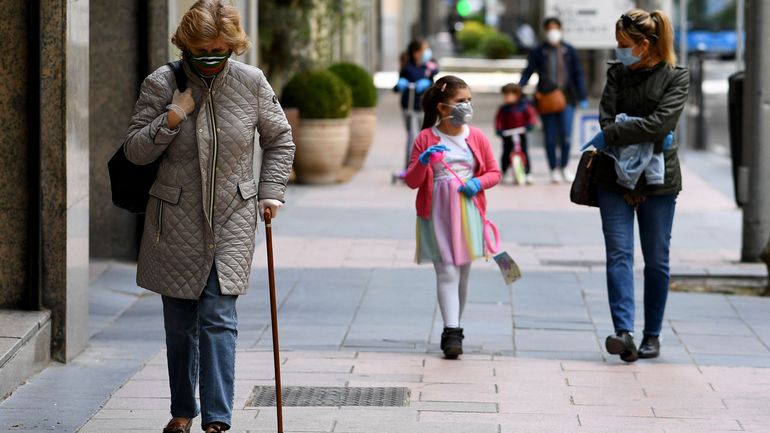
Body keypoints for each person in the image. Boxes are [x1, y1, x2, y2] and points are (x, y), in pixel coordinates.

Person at [122, 1, 295, 432]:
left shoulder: (251, 82)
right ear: (186, 46)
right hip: (174, 218)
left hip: (232, 217)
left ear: (234, 45)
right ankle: (182, 410)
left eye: (222, 50)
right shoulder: (162, 82)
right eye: (203, 51)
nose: (213, 59)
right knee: (180, 323)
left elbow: (280, 139)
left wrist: (271, 192)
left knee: (219, 317)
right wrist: (174, 116)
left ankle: (218, 419)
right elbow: (134, 151)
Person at [583, 8, 688, 362]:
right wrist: (620, 128)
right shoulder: (616, 74)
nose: (620, 50)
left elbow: (658, 126)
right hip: (612, 176)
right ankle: (624, 332)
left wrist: (614, 132)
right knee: (619, 255)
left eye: (625, 45)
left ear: (645, 45)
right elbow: (606, 117)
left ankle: (652, 335)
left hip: (659, 181)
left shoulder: (676, 77)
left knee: (656, 260)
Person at [404, 75, 501, 359]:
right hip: (437, 212)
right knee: (446, 270)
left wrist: (478, 183)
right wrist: (423, 163)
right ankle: (452, 332)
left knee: (462, 274)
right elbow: (412, 181)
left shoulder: (478, 137)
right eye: (461, 101)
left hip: (469, 210)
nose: (467, 106)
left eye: (469, 100)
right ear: (442, 107)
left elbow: (494, 172)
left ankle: (454, 323)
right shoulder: (425, 138)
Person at [519, 17, 588, 184]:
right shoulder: (538, 51)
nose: (553, 32)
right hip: (545, 98)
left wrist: (582, 95)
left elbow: (577, 73)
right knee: (549, 136)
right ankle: (553, 169)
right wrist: (519, 88)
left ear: (561, 29)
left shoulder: (569, 50)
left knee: (566, 134)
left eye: (555, 28)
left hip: (567, 98)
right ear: (545, 31)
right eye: (549, 28)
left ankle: (564, 166)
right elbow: (529, 71)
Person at [395, 40, 440, 172]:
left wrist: (427, 82)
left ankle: (429, 165)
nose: (427, 52)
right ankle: (411, 166)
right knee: (413, 137)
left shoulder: (429, 65)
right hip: (410, 106)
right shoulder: (407, 67)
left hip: (425, 106)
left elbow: (435, 72)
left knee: (428, 136)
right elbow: (397, 87)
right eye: (423, 49)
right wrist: (401, 84)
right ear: (416, 53)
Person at [495, 83, 538, 184]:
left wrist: (530, 125)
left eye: (509, 95)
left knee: (524, 152)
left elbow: (531, 116)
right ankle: (505, 171)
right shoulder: (503, 109)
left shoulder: (524, 106)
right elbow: (499, 120)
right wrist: (499, 130)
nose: (506, 97)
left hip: (521, 133)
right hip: (507, 135)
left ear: (517, 95)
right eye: (505, 95)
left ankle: (527, 173)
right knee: (506, 153)